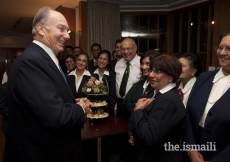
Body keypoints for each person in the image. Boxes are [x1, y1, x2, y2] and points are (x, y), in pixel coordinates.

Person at [4, 6, 92, 162]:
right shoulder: (31, 61)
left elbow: (46, 101)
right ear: (40, 29)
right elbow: (56, 116)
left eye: (68, 31)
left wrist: (72, 102)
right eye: (61, 29)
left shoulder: (44, 59)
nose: (66, 36)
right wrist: (80, 108)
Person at [184, 28, 230, 162]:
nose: (222, 52)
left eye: (228, 48)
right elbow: (189, 115)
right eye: (220, 47)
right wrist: (191, 150)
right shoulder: (204, 77)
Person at [129, 55, 185, 162]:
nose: (150, 75)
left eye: (157, 72)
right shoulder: (159, 92)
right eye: (152, 70)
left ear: (171, 77)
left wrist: (138, 111)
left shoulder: (168, 101)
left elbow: (151, 137)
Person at [115, 38, 141, 118]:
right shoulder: (118, 63)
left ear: (135, 48)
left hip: (135, 104)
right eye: (123, 49)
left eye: (129, 48)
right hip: (120, 104)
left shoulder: (142, 63)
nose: (126, 52)